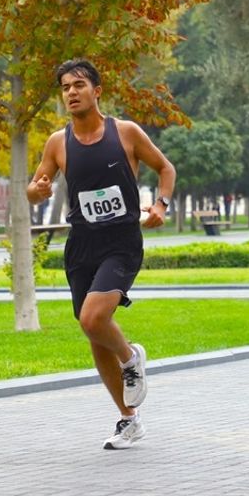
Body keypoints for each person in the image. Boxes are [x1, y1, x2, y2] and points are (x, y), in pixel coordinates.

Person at [27, 59, 176, 451]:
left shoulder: (125, 133)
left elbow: (166, 168)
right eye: (64, 87)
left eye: (79, 85)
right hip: (82, 245)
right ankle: (130, 421)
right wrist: (37, 191)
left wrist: (160, 205)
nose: (71, 92)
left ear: (97, 90)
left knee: (94, 318)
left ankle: (131, 358)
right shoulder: (58, 142)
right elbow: (34, 185)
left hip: (121, 241)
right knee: (94, 335)